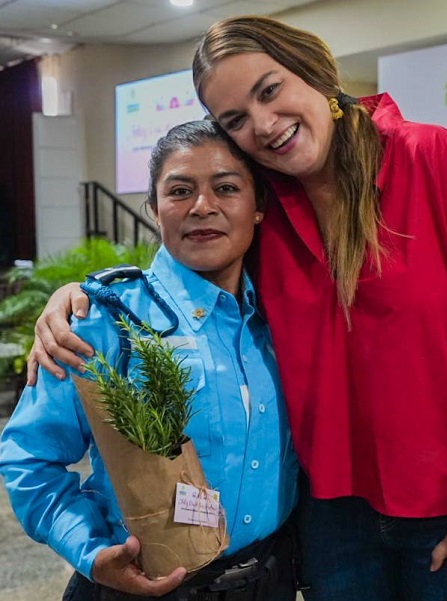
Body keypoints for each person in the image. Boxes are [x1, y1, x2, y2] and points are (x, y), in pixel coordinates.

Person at [28, 16, 447, 601]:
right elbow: (186, 267)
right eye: (236, 120)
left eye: (269, 90)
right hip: (332, 517)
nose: (264, 125)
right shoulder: (267, 207)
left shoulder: (425, 157)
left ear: (313, 70)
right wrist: (79, 296)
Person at [1, 120, 300, 601]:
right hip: (143, 587)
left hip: (269, 580)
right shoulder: (101, 319)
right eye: (180, 190)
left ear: (258, 206)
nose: (203, 206)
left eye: (226, 187)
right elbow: (30, 457)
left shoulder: (283, 315)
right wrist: (93, 552)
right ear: (155, 210)